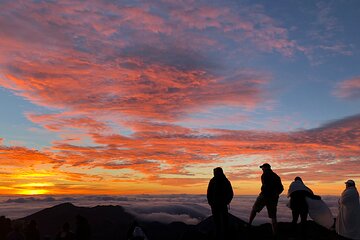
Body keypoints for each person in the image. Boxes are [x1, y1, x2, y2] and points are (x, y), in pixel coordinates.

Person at [249, 163, 283, 235]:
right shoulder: (277, 177)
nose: (262, 169)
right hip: (273, 198)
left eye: (263, 168)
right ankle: (275, 233)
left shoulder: (264, 175)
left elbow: (265, 185)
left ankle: (249, 224)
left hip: (264, 195)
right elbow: (281, 188)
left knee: (254, 209)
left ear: (266, 168)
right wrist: (276, 194)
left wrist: (266, 191)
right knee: (273, 216)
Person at [207, 167, 234, 240]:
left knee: (220, 221)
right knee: (221, 221)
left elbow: (209, 193)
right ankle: (223, 235)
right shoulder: (223, 181)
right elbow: (231, 193)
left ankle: (220, 235)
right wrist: (211, 202)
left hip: (219, 204)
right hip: (218, 204)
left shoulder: (215, 181)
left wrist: (211, 202)